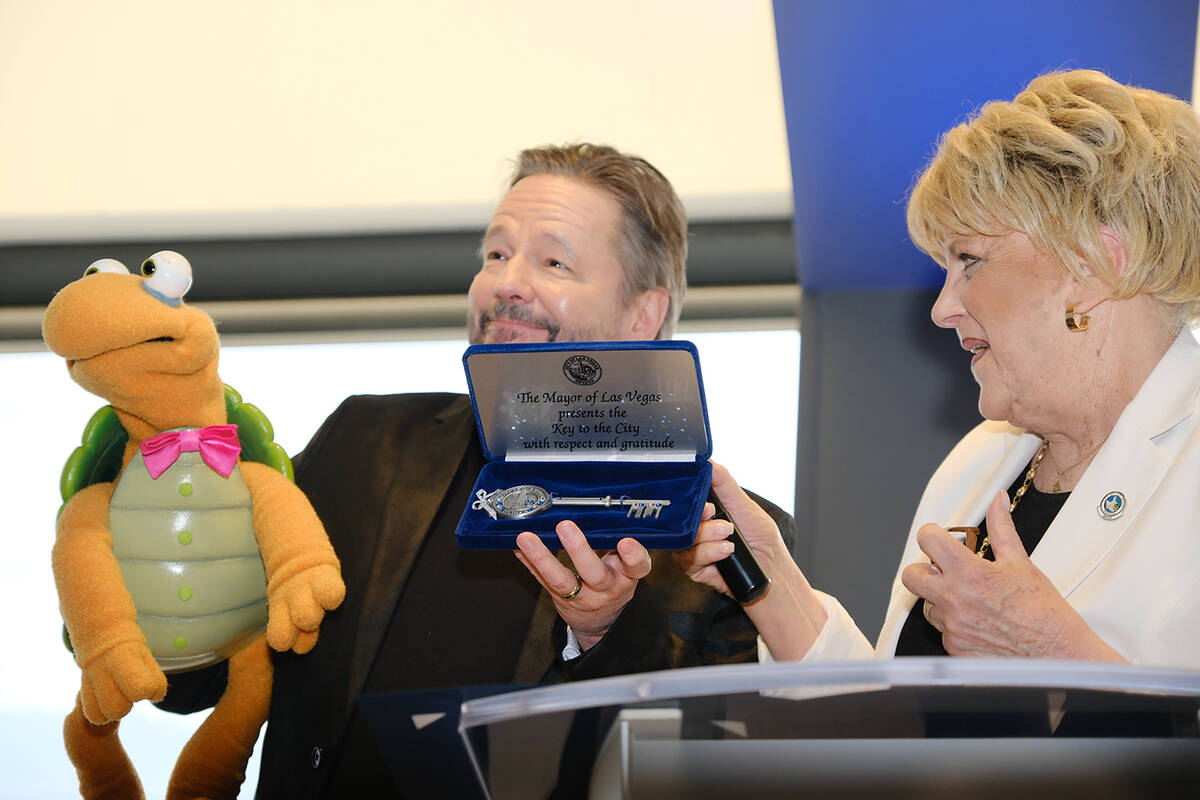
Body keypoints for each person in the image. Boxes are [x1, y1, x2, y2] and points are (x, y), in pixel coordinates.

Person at [161, 142, 795, 798]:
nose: (506, 283)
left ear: (644, 313)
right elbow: (193, 679)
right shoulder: (364, 443)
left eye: (553, 261)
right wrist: (157, 547)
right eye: (495, 254)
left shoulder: (726, 540)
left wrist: (602, 637)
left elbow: (702, 779)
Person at [679, 69, 1200, 671]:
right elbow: (895, 724)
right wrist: (770, 579)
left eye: (970, 261)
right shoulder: (979, 463)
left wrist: (1055, 653)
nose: (942, 308)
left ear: (1094, 264)